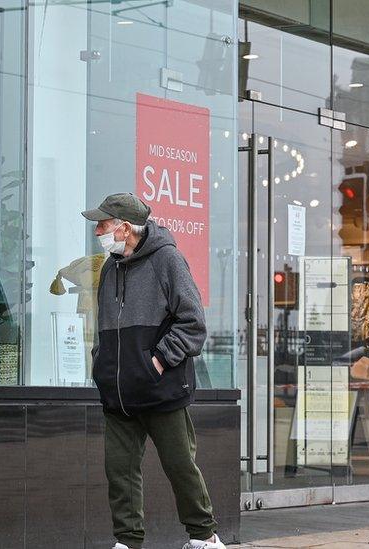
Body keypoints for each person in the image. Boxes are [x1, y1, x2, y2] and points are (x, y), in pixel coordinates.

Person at [81, 193, 225, 549]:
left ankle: (204, 537)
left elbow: (193, 323)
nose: (97, 230)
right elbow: (103, 326)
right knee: (119, 472)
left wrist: (156, 361)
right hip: (118, 394)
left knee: (179, 466)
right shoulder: (110, 268)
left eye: (103, 224)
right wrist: (102, 365)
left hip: (161, 390)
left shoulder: (167, 260)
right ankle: (128, 541)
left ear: (125, 228)